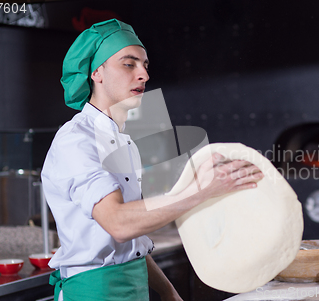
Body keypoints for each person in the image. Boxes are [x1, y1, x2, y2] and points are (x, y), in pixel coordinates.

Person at [41, 19, 264, 301]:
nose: (144, 75)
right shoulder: (76, 140)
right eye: (129, 64)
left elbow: (132, 239)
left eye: (145, 65)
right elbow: (119, 224)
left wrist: (169, 292)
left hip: (135, 288)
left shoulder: (126, 141)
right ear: (97, 72)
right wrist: (202, 189)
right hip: (93, 293)